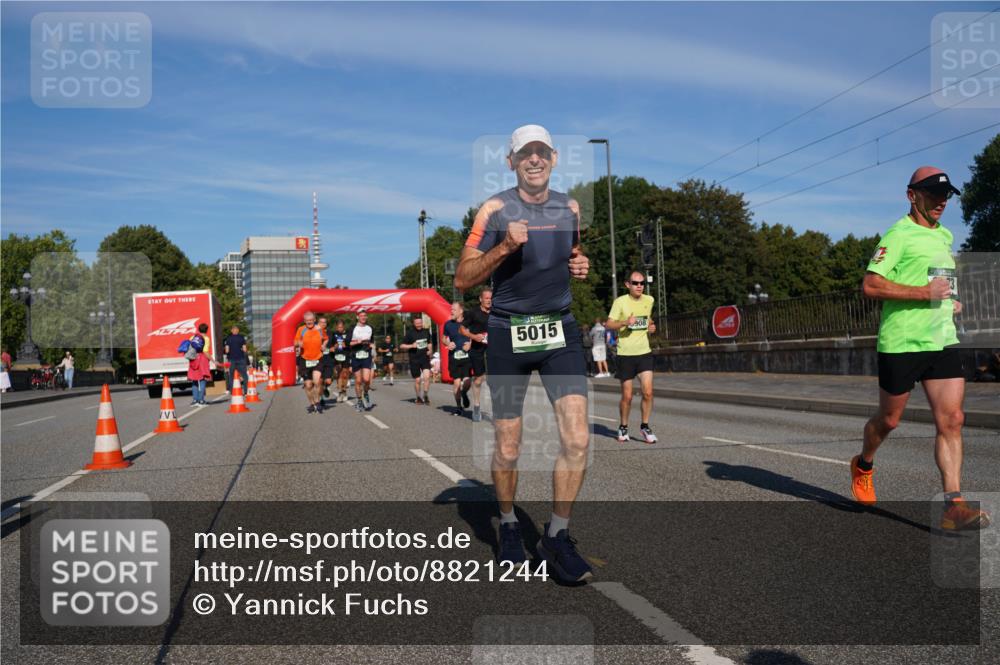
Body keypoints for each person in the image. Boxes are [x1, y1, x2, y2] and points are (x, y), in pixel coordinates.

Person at [455, 123, 593, 582]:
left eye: (542, 152)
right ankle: (511, 524)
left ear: (553, 157)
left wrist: (579, 262)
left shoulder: (569, 207)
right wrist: (505, 246)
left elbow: (572, 250)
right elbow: (462, 277)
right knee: (509, 445)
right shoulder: (493, 209)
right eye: (524, 153)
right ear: (511, 161)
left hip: (560, 331)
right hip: (508, 333)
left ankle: (557, 535)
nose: (534, 159)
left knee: (577, 439)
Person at [852, 166, 990, 531]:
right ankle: (864, 463)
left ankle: (953, 505)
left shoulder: (944, 235)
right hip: (902, 342)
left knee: (953, 420)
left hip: (941, 339)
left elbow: (939, 281)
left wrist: (950, 301)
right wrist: (922, 294)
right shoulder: (898, 235)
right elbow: (870, 285)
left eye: (945, 196)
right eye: (933, 194)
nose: (941, 202)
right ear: (912, 195)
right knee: (890, 420)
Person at [605, 270, 658, 444]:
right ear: (627, 284)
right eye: (635, 283)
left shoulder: (649, 300)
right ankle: (623, 426)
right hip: (625, 354)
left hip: (644, 352)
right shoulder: (620, 302)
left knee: (648, 392)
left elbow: (648, 319)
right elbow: (609, 324)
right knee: (627, 396)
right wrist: (625, 323)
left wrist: (651, 326)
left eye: (642, 283)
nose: (639, 286)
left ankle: (645, 426)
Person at [460, 288, 492, 421]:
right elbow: (462, 329)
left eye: (491, 298)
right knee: (479, 379)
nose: (489, 301)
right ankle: (477, 406)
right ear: (480, 299)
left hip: (493, 348)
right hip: (477, 349)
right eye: (486, 298)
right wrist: (474, 336)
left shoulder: (496, 312)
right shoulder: (472, 313)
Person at [444, 301, 473, 417]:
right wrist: (448, 343)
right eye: (451, 309)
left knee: (466, 382)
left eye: (453, 310)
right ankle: (458, 407)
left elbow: (475, 336)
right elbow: (443, 339)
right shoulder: (448, 324)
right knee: (456, 384)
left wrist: (470, 344)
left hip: (467, 356)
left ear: (461, 311)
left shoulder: (469, 323)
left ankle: (464, 393)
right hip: (454, 357)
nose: (451, 311)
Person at [294, 311, 326, 414]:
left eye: (311, 320)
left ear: (314, 320)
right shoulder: (301, 329)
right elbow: (295, 342)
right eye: (307, 321)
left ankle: (317, 402)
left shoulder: (320, 329)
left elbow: (326, 339)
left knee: (317, 382)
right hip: (305, 359)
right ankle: (312, 404)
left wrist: (324, 345)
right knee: (308, 385)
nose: (310, 323)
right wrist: (298, 343)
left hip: (318, 358)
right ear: (304, 321)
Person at [346, 310, 375, 411]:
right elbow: (347, 343)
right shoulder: (352, 328)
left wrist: (373, 348)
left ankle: (366, 393)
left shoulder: (370, 328)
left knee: (366, 379)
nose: (363, 317)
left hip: (366, 355)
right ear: (357, 317)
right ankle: (359, 401)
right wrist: (357, 342)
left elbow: (372, 341)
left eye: (365, 316)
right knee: (358, 381)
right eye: (361, 316)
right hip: (355, 356)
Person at [401, 315, 434, 405]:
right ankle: (418, 396)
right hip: (414, 359)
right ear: (414, 324)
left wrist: (430, 350)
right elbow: (402, 346)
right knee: (418, 380)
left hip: (425, 358)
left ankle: (426, 395)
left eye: (420, 323)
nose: (419, 325)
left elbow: (429, 343)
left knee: (427, 377)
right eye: (417, 323)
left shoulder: (426, 332)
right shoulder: (409, 333)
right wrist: (411, 346)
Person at [187, 323, 211, 406]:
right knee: (202, 380)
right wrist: (213, 360)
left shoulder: (192, 337)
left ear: (198, 329)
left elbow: (189, 348)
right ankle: (201, 400)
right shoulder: (206, 338)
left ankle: (195, 400)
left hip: (193, 359)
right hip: (202, 359)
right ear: (206, 330)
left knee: (194, 380)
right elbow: (205, 351)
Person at [330, 320, 351, 402]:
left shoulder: (348, 334)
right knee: (338, 374)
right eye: (338, 327)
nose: (340, 328)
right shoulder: (334, 334)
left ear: (344, 327)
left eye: (341, 327)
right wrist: (334, 347)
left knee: (345, 375)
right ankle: (339, 392)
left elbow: (350, 345)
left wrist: (346, 345)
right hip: (337, 356)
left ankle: (344, 391)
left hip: (346, 356)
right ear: (336, 327)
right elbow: (330, 345)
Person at [223, 325, 248, 394]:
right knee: (244, 375)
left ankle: (232, 391)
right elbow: (245, 349)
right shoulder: (241, 338)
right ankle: (246, 391)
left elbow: (227, 350)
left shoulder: (228, 338)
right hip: (241, 359)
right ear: (238, 331)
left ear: (232, 331)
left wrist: (228, 354)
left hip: (231, 359)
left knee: (231, 376)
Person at [317, 317, 336, 407]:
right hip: (318, 360)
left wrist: (333, 348)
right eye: (322, 322)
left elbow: (335, 343)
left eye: (325, 322)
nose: (323, 324)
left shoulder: (330, 332)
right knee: (320, 381)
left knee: (328, 381)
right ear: (318, 323)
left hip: (329, 359)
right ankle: (322, 399)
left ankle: (325, 388)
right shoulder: (314, 332)